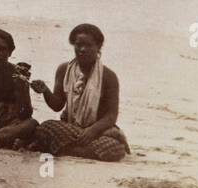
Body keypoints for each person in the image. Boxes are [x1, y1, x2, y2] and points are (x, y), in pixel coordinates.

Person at [30, 23, 129, 162]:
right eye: (78, 45)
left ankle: (62, 149)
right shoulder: (64, 69)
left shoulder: (109, 76)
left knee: (115, 149)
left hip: (97, 132)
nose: (82, 49)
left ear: (98, 47)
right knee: (45, 128)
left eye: (89, 45)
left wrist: (92, 130)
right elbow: (57, 105)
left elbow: (111, 115)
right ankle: (75, 150)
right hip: (71, 128)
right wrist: (45, 91)